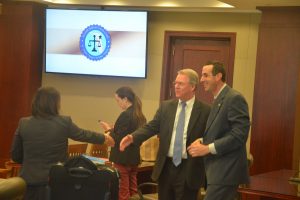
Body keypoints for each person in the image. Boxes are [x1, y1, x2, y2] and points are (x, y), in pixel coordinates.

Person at [120, 69, 211, 200]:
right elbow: (152, 126)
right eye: (175, 83)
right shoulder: (166, 106)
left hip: (189, 168)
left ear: (192, 86)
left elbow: (210, 135)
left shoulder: (206, 110)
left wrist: (202, 142)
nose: (176, 86)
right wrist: (132, 137)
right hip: (166, 167)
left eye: (181, 83)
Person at [10, 86, 115, 200]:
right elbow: (83, 134)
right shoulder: (64, 122)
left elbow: (16, 155)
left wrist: (30, 162)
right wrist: (104, 138)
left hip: (29, 182)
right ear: (55, 103)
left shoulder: (23, 123)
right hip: (55, 182)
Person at [187, 61, 250, 200]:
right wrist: (204, 141)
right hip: (218, 172)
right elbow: (224, 130)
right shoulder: (219, 99)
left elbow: (239, 135)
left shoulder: (234, 98)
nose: (201, 80)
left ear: (218, 76)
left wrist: (207, 148)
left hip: (226, 171)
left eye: (205, 75)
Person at [99, 86, 146, 200]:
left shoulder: (125, 115)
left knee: (123, 192)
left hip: (122, 158)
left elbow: (118, 139)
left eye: (118, 100)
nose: (118, 103)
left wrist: (108, 130)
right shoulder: (139, 115)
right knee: (133, 192)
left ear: (125, 99)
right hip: (134, 158)